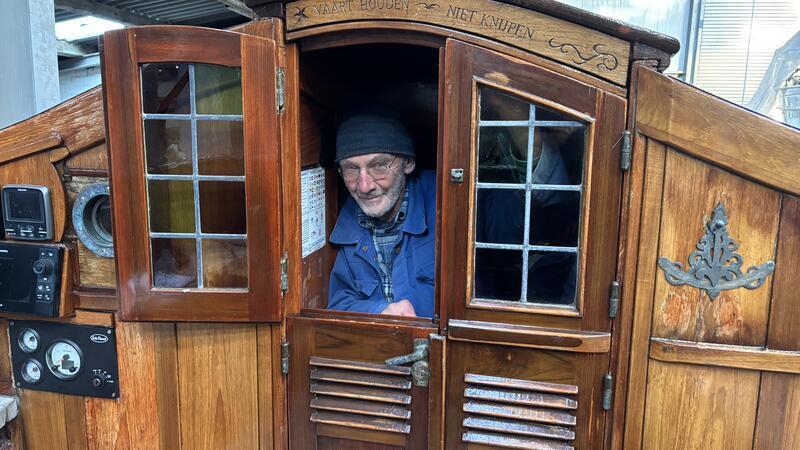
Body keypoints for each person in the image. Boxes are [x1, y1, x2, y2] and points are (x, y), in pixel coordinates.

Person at [327, 114, 436, 318]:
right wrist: (380, 311)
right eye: (351, 169)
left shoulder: (447, 205)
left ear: (408, 163)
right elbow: (340, 303)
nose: (364, 186)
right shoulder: (348, 219)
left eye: (379, 166)